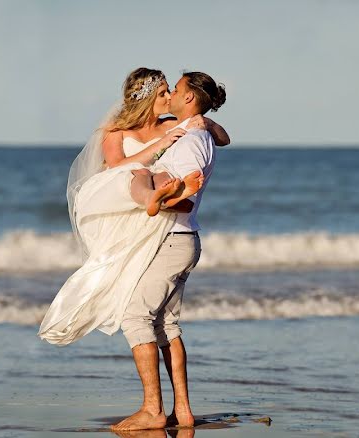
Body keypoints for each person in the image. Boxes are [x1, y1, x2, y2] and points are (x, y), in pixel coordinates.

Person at [37, 68, 228, 348]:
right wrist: (159, 146)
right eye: (162, 92)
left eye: (170, 91)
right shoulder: (115, 131)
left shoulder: (171, 124)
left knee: (159, 317)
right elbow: (115, 166)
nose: (168, 96)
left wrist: (205, 123)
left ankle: (168, 195)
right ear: (147, 98)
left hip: (154, 211)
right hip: (125, 193)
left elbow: (224, 138)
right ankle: (160, 196)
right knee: (137, 174)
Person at [110, 71, 225, 431]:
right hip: (183, 240)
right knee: (166, 324)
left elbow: (186, 201)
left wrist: (163, 200)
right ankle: (184, 412)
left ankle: (152, 410)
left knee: (135, 317)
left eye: (174, 89)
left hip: (171, 238)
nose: (171, 94)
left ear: (189, 98)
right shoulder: (195, 131)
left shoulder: (189, 140)